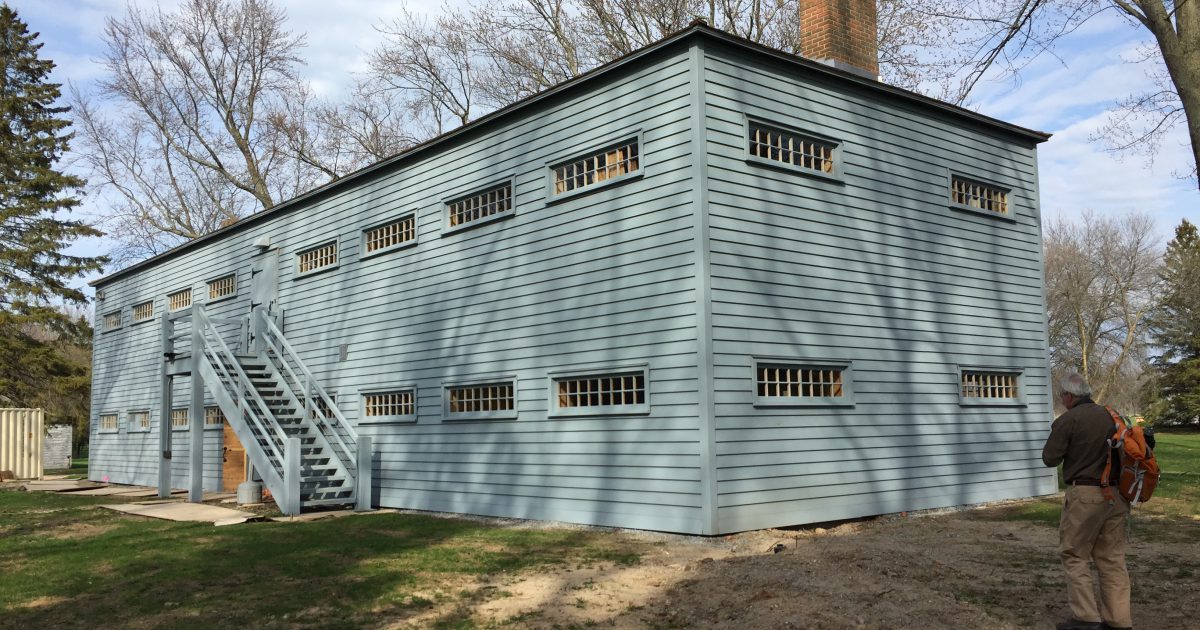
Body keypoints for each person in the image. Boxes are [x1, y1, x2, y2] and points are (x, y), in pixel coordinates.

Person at [1041, 372, 1132, 630]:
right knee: (1112, 559)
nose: (1062, 400)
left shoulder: (1069, 420)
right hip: (1116, 496)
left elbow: (1050, 458)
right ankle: (1119, 621)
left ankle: (1086, 619)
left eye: (1062, 396)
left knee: (1074, 553)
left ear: (1069, 396)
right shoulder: (1113, 415)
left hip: (1086, 495)